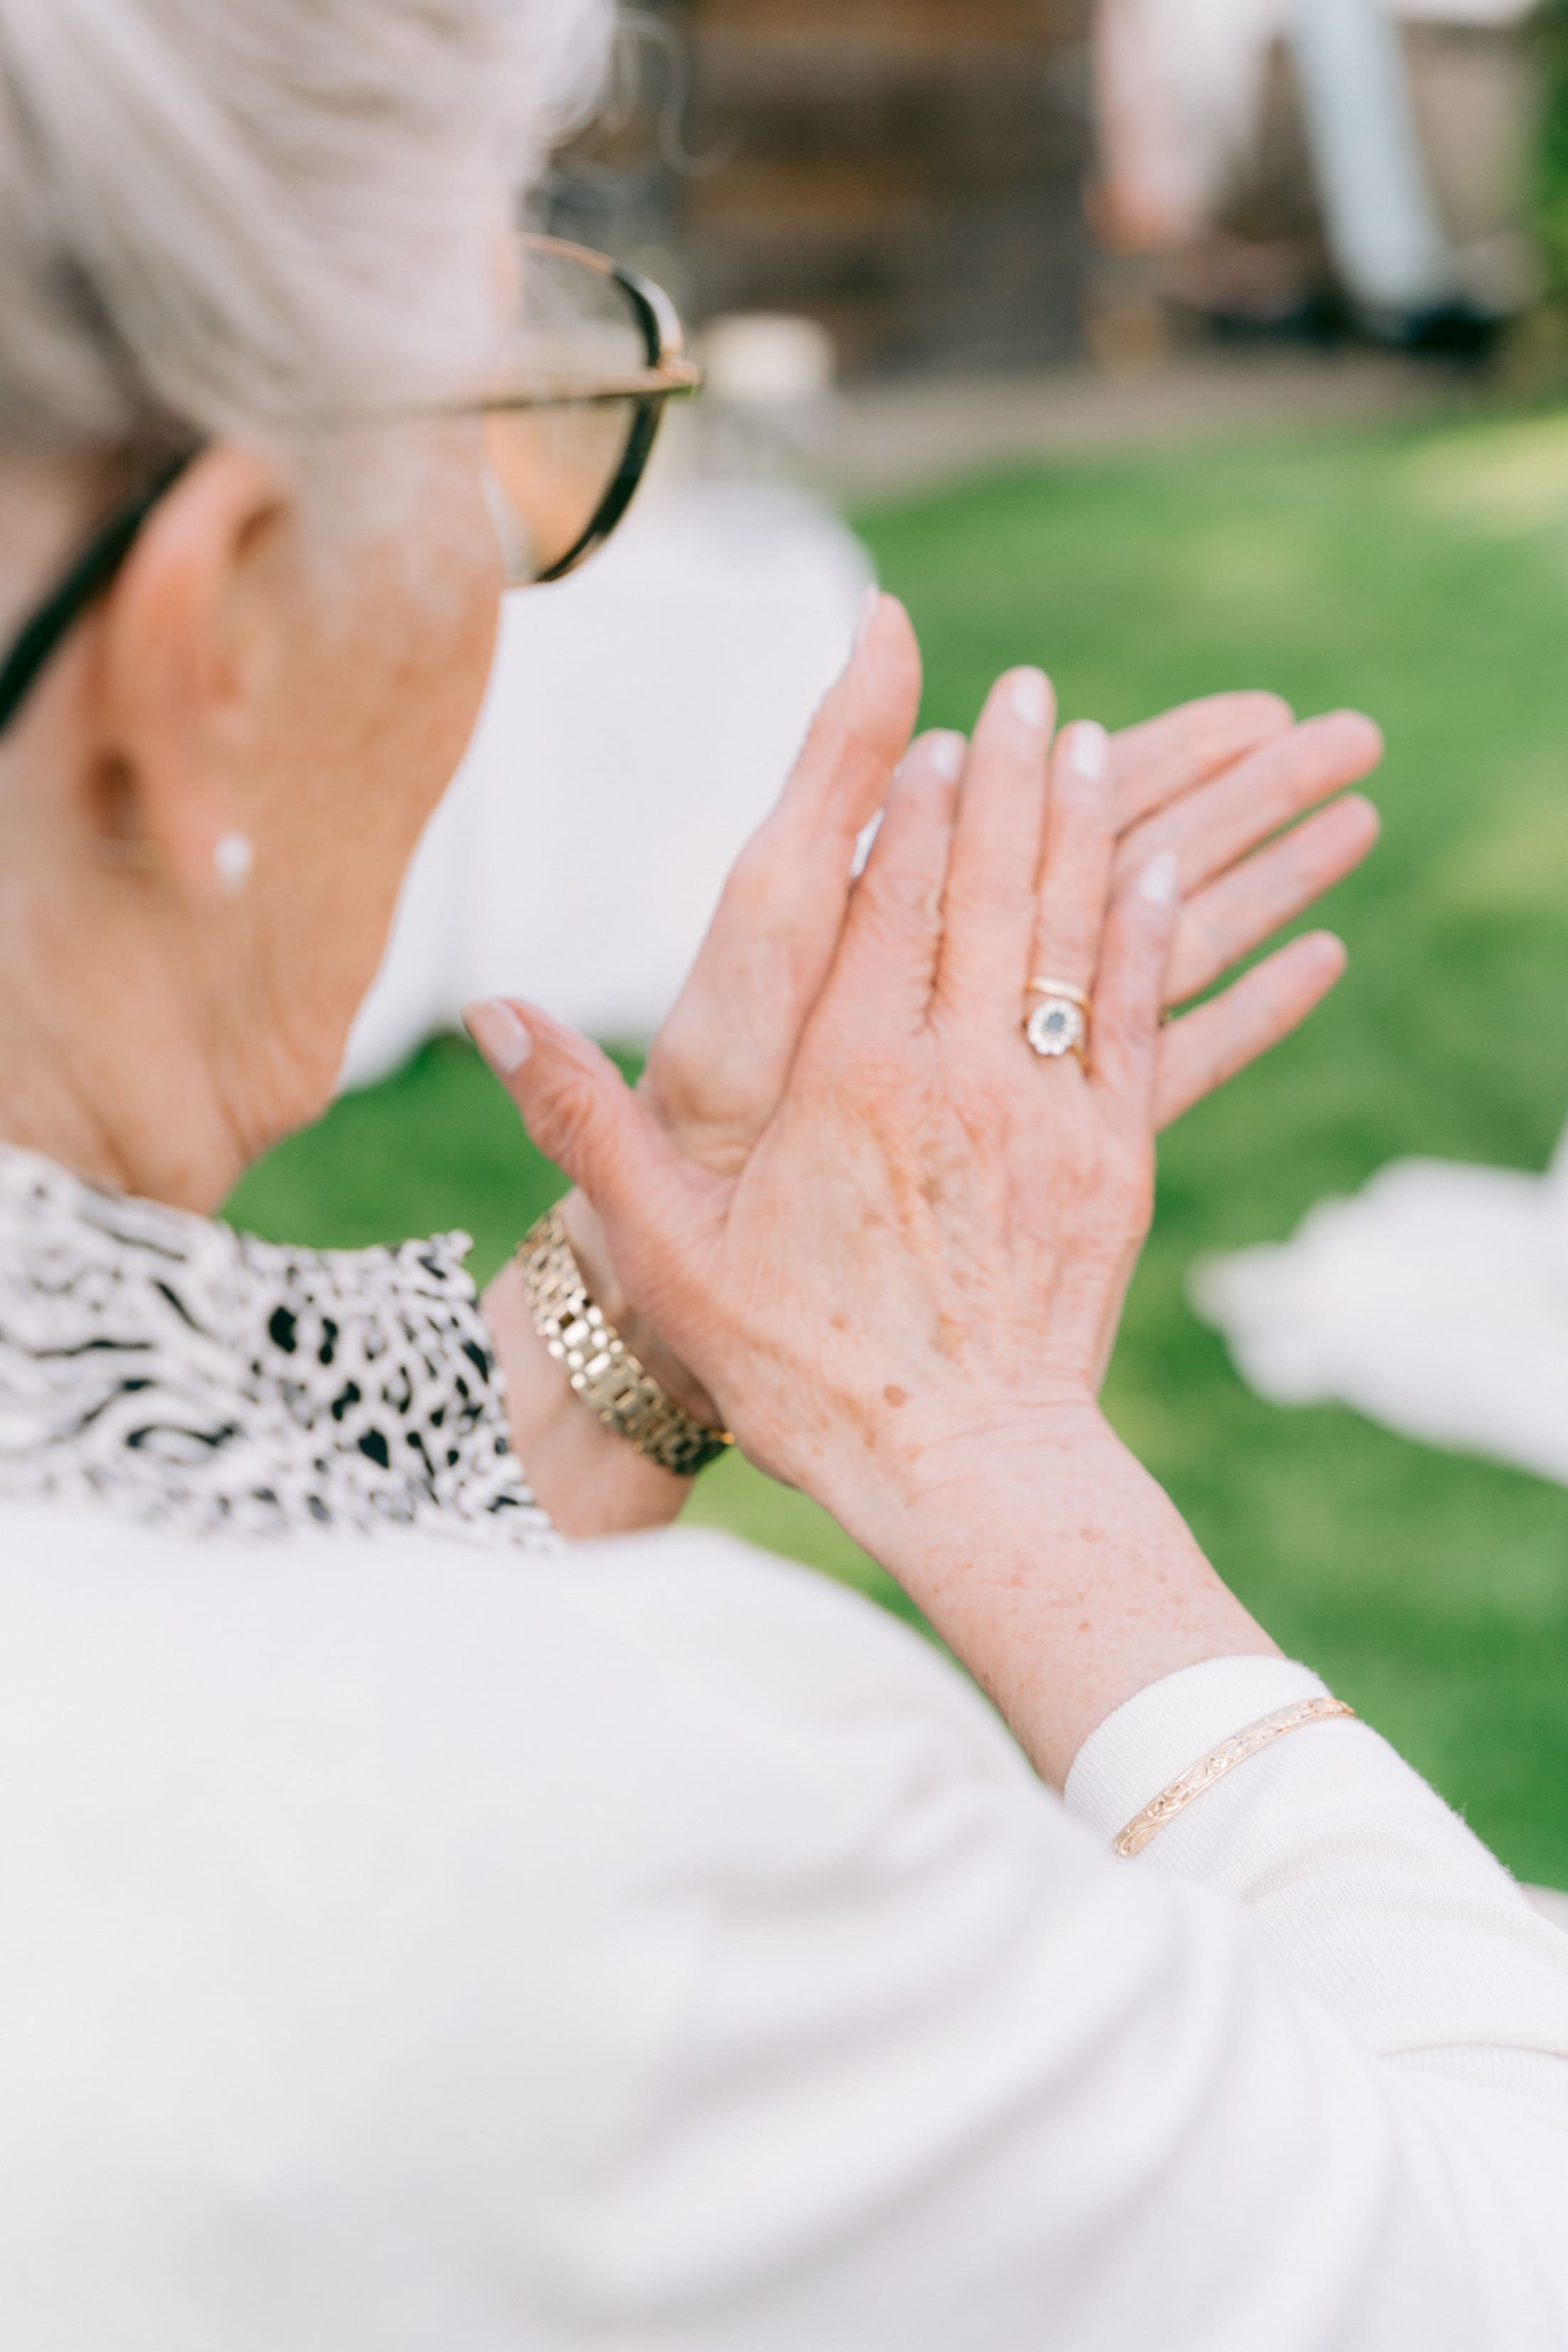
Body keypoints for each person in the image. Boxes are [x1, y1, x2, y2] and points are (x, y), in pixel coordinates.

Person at [0, 4, 1564, 2348]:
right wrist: (997, 1448)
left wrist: (656, 1305)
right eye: (524, 430)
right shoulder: (645, 1840)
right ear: (210, 630)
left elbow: (153, 1472)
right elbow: (1486, 2245)